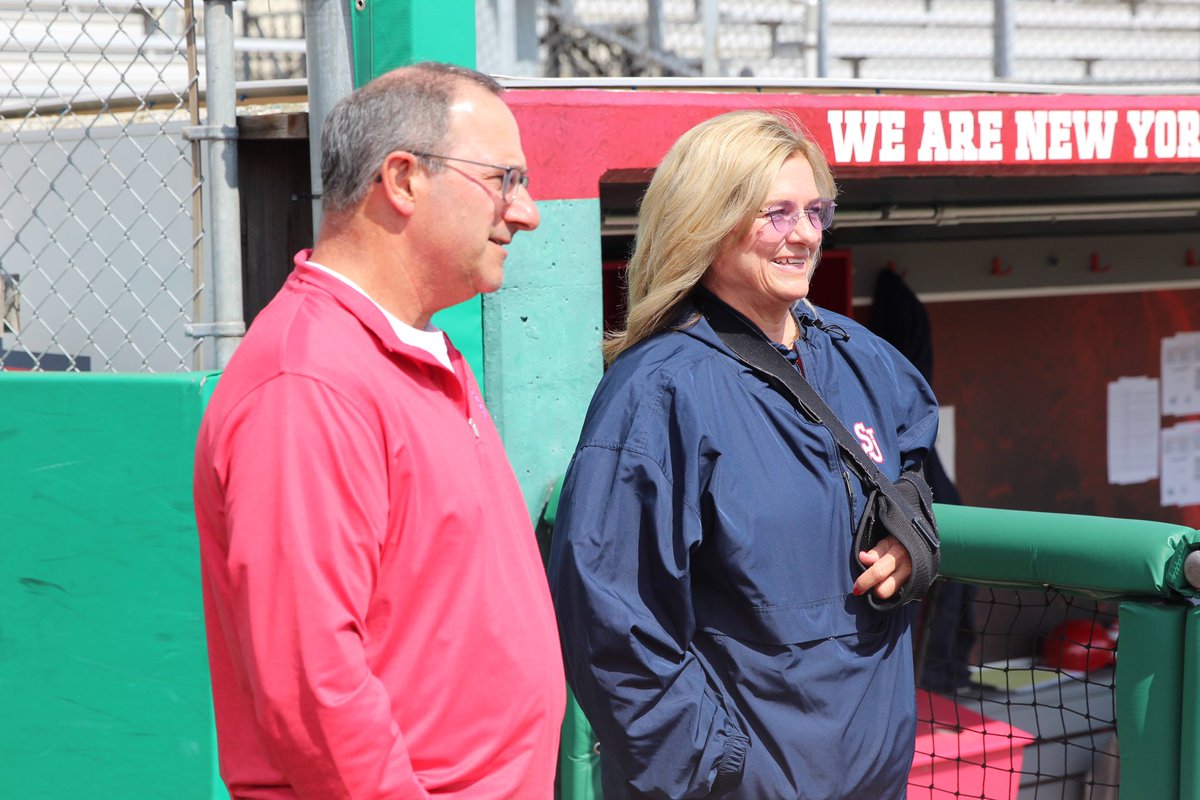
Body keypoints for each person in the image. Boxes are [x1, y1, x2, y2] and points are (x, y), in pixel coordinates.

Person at [193, 62, 564, 799]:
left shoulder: (407, 350)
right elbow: (313, 684)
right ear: (402, 179)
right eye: (504, 179)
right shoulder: (309, 382)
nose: (526, 212)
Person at [548, 110, 940, 799]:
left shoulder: (859, 355)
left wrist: (911, 526)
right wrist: (722, 773)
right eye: (777, 213)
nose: (806, 234)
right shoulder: (659, 391)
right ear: (706, 221)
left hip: (875, 779)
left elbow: (912, 456)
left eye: (817, 210)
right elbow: (613, 629)